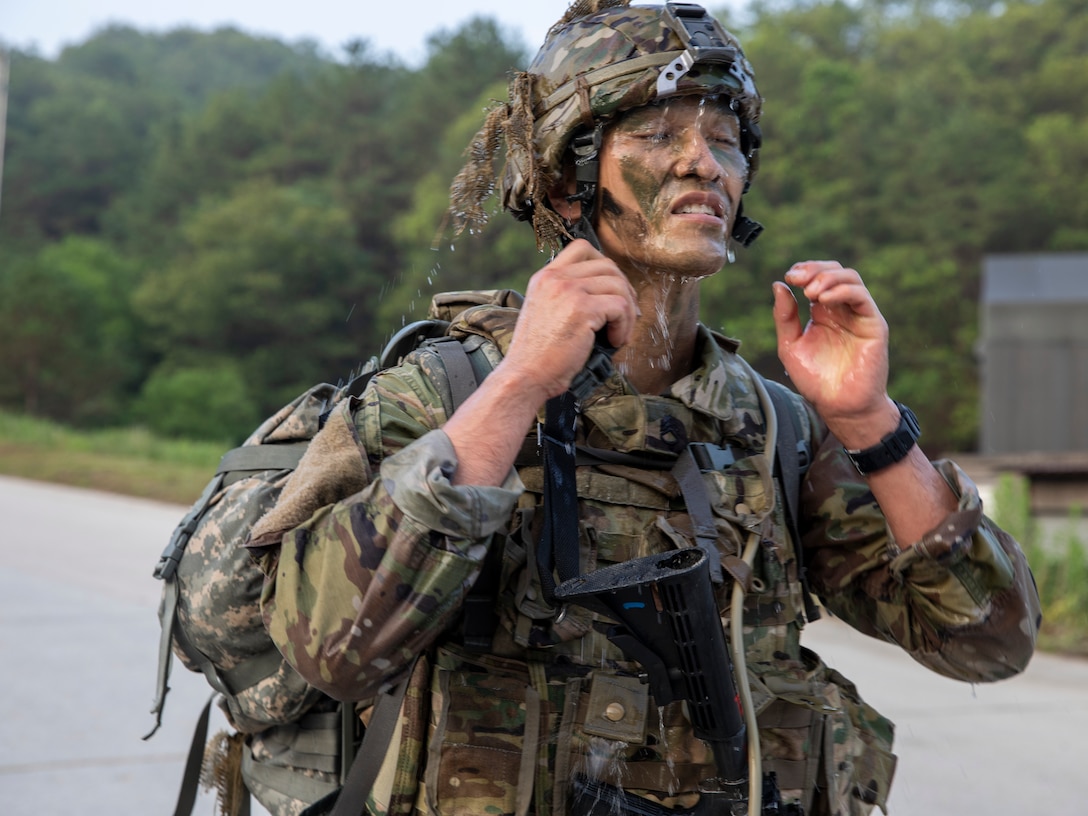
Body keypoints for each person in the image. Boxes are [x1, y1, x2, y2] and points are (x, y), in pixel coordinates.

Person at [247, 2, 1041, 815]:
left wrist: (870, 422)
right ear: (565, 178)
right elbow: (332, 653)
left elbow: (988, 644)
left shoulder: (773, 430)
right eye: (659, 135)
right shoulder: (446, 394)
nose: (704, 163)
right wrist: (520, 385)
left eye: (725, 139)